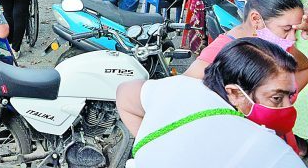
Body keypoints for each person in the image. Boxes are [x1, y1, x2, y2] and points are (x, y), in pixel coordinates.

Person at [116, 38, 303, 167]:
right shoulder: (268, 151)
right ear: (235, 93)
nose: (288, 107)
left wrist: (159, 145)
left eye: (290, 95)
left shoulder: (178, 86)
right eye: (276, 98)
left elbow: (123, 92)